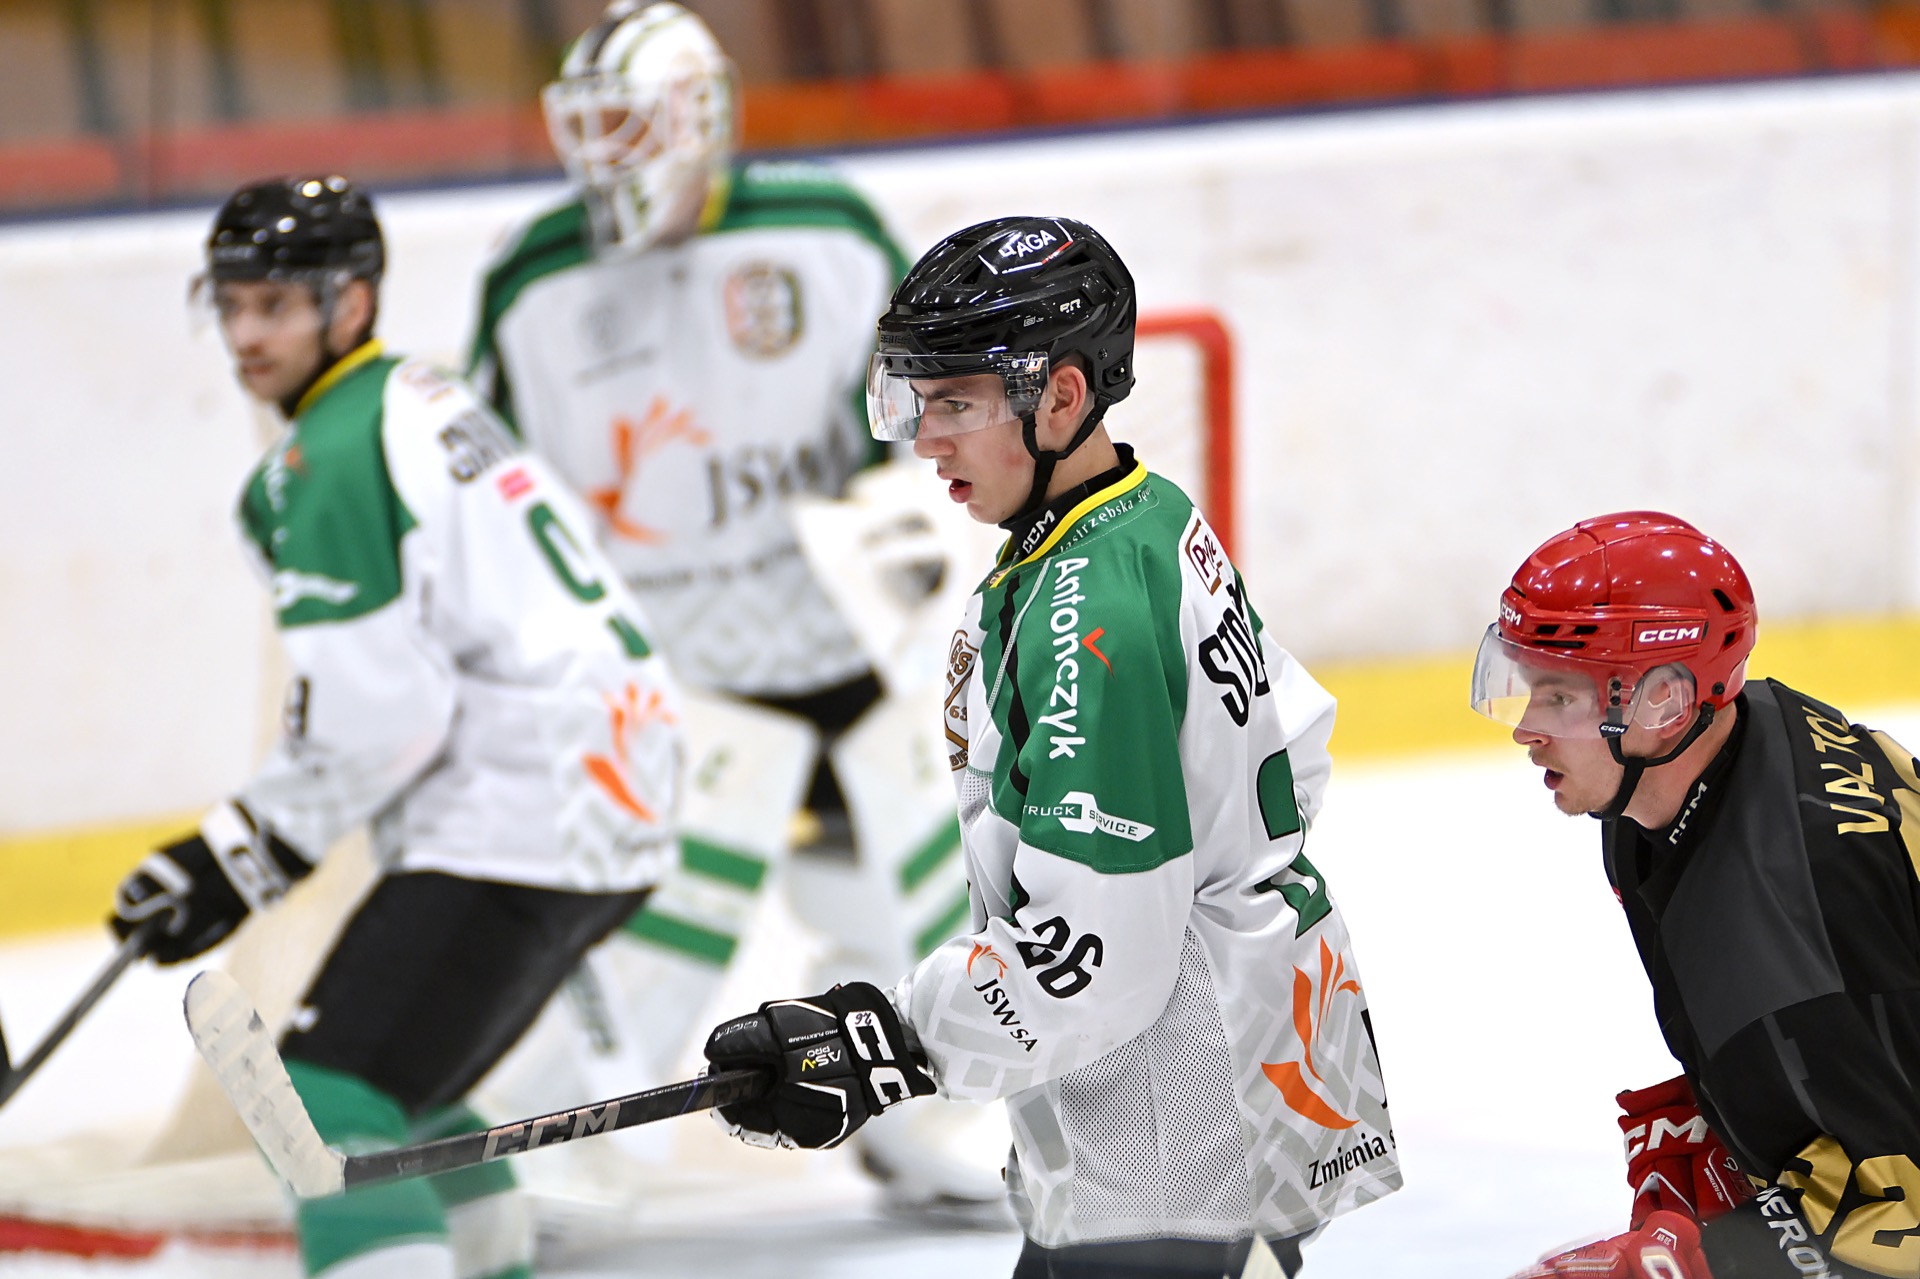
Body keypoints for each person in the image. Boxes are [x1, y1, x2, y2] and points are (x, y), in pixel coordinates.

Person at [698, 215, 1401, 1278]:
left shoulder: (1087, 611)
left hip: (1179, 1128)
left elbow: (1098, 953)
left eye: (957, 404)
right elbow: (1283, 756)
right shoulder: (1142, 517)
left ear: (1063, 397)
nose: (926, 439)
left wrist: (889, 1039)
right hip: (1210, 1077)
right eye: (917, 400)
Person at [465, 0, 1000, 1213]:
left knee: (920, 891)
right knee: (656, 925)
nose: (606, 154)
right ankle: (551, 1158)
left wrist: (905, 505)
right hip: (670, 665)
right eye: (589, 126)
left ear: (701, 115)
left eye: (631, 122)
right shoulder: (536, 279)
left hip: (847, 640)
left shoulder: (826, 231)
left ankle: (923, 1125)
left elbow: (922, 404)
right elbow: (495, 487)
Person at [110, 175, 681, 1279]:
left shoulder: (327, 457)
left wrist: (240, 849)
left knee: (320, 1106)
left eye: (276, 306)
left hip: (521, 810)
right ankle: (489, 1257)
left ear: (353, 301)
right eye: (231, 306)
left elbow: (380, 710)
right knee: (407, 1092)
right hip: (608, 798)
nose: (245, 335)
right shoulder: (422, 396)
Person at [1471, 511, 1920, 1279]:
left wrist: (1712, 1260)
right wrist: (1734, 1107)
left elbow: (1905, 1223)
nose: (1527, 729)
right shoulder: (1683, 778)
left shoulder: (1794, 929)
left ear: (1666, 703)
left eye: (1562, 696)